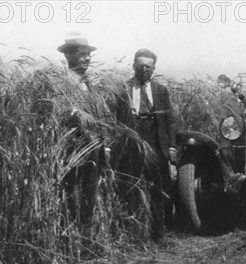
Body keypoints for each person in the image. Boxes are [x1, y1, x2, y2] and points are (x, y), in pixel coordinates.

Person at [113, 48, 177, 241]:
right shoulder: (123, 89)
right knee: (130, 187)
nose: (144, 70)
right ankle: (133, 235)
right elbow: (116, 120)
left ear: (154, 69)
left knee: (157, 189)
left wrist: (171, 147)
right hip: (132, 142)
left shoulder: (161, 91)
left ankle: (158, 234)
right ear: (133, 66)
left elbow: (169, 122)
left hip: (155, 142)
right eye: (140, 66)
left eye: (148, 67)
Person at [56, 32, 102, 249]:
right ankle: (71, 245)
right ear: (68, 56)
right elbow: (59, 114)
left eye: (88, 55)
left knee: (89, 197)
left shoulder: (89, 83)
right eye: (82, 54)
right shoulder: (61, 83)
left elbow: (97, 116)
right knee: (72, 197)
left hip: (93, 149)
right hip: (73, 150)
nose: (87, 58)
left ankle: (86, 244)